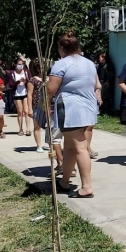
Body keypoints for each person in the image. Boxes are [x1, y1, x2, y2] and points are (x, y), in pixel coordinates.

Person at [47, 30, 98, 198]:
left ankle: (86, 187)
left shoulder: (61, 64)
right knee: (69, 146)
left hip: (70, 108)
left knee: (80, 147)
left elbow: (51, 89)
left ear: (62, 48)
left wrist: (43, 103)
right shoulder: (89, 63)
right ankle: (65, 181)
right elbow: (95, 84)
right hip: (88, 108)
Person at [8, 58, 33, 137]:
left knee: (26, 111)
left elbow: (31, 80)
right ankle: (20, 129)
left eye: (22, 64)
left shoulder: (26, 71)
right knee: (20, 111)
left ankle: (28, 129)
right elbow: (10, 84)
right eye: (19, 64)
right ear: (15, 65)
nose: (21, 65)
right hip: (17, 94)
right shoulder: (12, 73)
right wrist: (18, 82)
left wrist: (26, 81)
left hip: (25, 93)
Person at [97, 51, 115, 115]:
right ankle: (102, 110)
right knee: (101, 97)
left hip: (105, 83)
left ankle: (107, 111)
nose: (99, 59)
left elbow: (110, 74)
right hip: (101, 82)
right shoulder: (100, 65)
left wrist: (107, 82)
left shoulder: (107, 65)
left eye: (101, 57)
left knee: (106, 97)